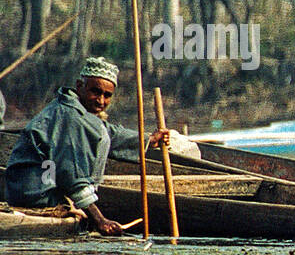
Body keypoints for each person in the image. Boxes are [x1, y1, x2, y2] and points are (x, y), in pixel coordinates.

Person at [4, 57, 198, 235]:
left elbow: (108, 133)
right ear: (80, 86)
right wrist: (100, 219)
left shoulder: (81, 112)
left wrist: (150, 139)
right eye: (95, 92)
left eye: (107, 95)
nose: (101, 100)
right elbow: (71, 176)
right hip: (35, 194)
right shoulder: (70, 117)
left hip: (49, 189)